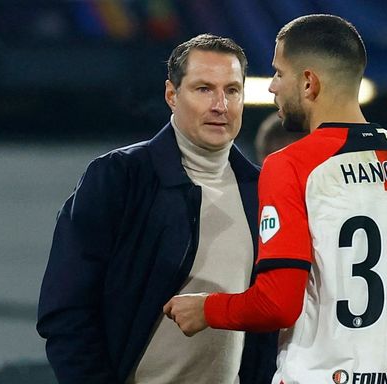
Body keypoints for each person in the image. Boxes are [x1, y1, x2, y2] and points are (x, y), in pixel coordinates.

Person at [164, 15, 387, 383]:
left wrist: (207, 309)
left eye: (279, 74)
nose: (272, 88)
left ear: (309, 82)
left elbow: (277, 303)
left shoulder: (292, 166)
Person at [36, 34, 276, 384]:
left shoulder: (261, 191)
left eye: (232, 90)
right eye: (204, 89)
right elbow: (66, 310)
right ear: (171, 95)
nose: (220, 105)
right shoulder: (117, 177)